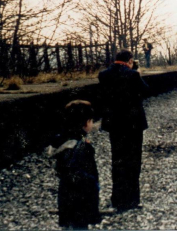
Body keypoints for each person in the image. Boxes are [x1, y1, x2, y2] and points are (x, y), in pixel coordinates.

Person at [98, 49, 149, 211]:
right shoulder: (133, 75)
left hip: (114, 125)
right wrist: (137, 73)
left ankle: (117, 198)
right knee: (133, 161)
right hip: (133, 125)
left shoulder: (103, 75)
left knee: (117, 160)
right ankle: (132, 200)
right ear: (130, 60)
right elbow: (146, 91)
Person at [49, 100, 101, 229]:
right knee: (80, 224)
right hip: (82, 193)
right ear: (85, 123)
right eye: (91, 121)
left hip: (66, 191)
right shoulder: (83, 146)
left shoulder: (62, 141)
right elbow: (89, 172)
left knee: (69, 223)